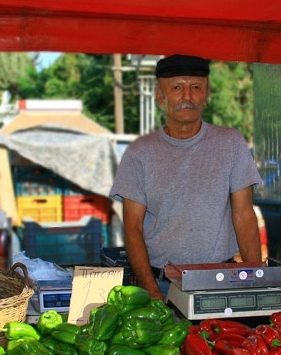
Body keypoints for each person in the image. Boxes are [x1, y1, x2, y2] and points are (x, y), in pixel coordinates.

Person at [109, 54, 263, 300]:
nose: (187, 97)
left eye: (196, 88)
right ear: (161, 96)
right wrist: (150, 290)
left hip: (220, 283)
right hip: (162, 284)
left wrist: (256, 281)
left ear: (206, 94)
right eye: (177, 88)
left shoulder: (230, 143)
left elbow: (244, 214)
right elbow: (132, 226)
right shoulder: (140, 152)